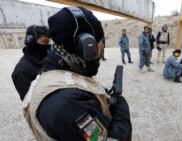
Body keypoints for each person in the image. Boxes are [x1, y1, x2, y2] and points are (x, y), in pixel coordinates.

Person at [22, 7, 132, 141]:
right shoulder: (69, 103)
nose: (102, 47)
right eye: (100, 42)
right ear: (87, 46)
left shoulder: (53, 72)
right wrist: (121, 110)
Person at [11, 25, 51, 101]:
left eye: (48, 42)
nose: (48, 46)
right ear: (31, 42)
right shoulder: (22, 71)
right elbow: (28, 101)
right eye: (45, 42)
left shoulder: (46, 58)